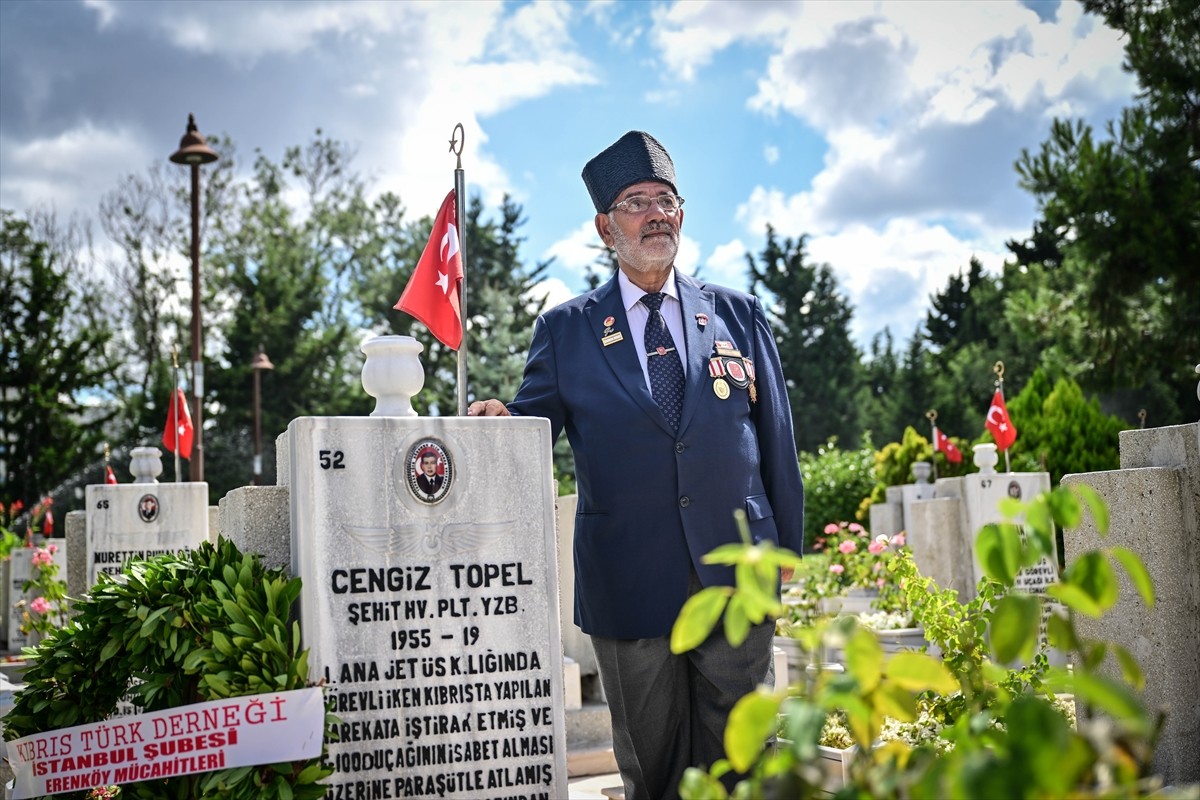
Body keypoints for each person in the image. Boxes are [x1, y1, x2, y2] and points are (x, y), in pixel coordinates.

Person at [468, 130, 804, 799]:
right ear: (605, 227)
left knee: (744, 761)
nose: (655, 213)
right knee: (652, 770)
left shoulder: (737, 313)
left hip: (737, 573)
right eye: (635, 202)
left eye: (665, 200)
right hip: (628, 578)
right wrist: (503, 420)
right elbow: (534, 421)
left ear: (681, 215)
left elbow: (776, 441)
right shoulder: (567, 329)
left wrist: (784, 554)